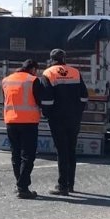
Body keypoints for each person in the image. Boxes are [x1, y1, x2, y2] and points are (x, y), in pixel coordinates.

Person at [40, 49, 90, 196]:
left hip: (57, 118)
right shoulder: (75, 72)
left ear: (51, 59)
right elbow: (84, 96)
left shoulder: (48, 73)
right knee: (71, 150)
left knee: (62, 151)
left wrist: (47, 115)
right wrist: (78, 111)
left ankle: (62, 186)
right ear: (64, 59)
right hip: (73, 117)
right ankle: (70, 184)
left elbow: (47, 100)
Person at [2, 60, 48, 199]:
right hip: (28, 122)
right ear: (33, 69)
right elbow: (41, 100)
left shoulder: (6, 80)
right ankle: (23, 187)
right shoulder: (33, 80)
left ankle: (19, 184)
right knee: (28, 156)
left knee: (15, 155)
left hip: (11, 121)